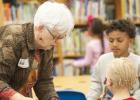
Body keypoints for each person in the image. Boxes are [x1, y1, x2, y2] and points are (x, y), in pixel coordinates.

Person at [0, 1, 74, 100]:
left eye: (61, 37)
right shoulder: (12, 38)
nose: (56, 42)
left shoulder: (46, 45)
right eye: (55, 36)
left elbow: (44, 82)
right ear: (40, 28)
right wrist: (19, 98)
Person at [86, 19, 140, 100]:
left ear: (130, 41)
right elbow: (96, 83)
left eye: (120, 40)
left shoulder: (138, 62)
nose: (114, 44)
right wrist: (90, 98)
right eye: (111, 40)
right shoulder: (103, 60)